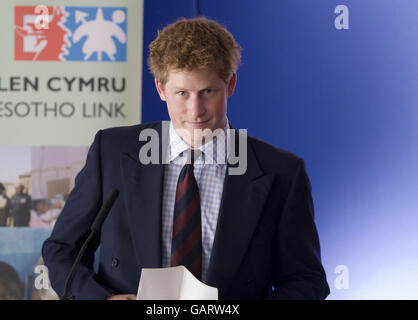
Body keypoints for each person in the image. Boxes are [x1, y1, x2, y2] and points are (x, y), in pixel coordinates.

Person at [42, 17, 330, 300]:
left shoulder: (281, 172)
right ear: (160, 89)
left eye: (207, 92)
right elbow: (62, 249)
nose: (196, 111)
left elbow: (307, 280)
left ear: (230, 85)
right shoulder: (112, 151)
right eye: (182, 93)